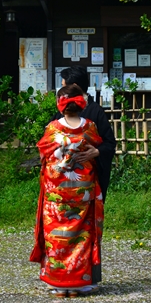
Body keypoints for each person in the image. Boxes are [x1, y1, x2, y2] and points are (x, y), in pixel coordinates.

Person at [30, 84, 104, 297]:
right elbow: (96, 147)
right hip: (82, 192)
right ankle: (79, 284)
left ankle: (59, 284)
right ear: (82, 104)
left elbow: (44, 154)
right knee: (81, 236)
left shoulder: (53, 128)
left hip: (57, 194)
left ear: (59, 104)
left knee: (56, 236)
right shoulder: (89, 126)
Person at [55, 66, 116, 201]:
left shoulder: (95, 112)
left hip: (89, 176)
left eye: (64, 86)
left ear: (75, 87)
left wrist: (96, 152)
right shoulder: (60, 113)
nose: (61, 91)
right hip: (64, 176)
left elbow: (110, 143)